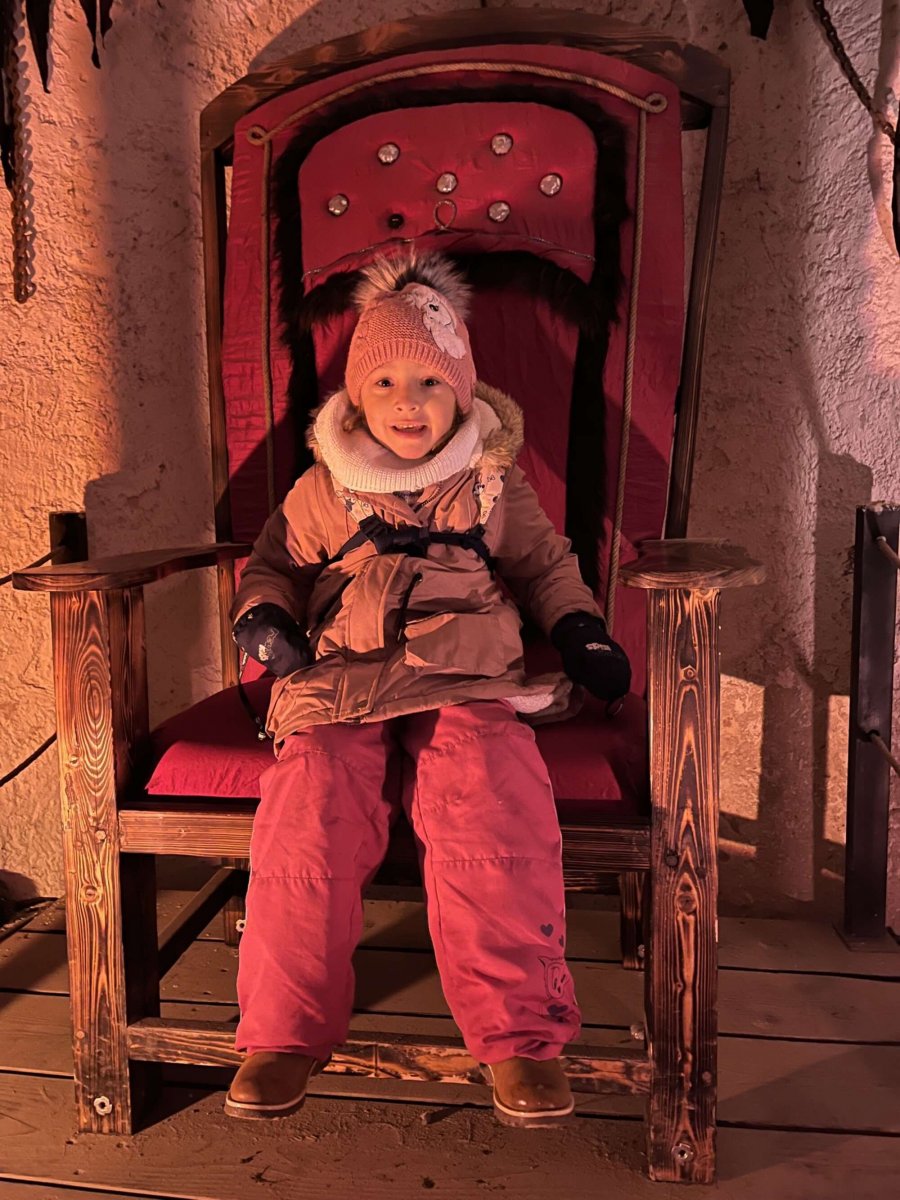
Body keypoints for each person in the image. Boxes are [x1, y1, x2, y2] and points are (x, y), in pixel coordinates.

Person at [224, 250, 631, 1126]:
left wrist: (580, 629)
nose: (408, 402)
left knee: (490, 788)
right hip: (341, 676)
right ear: (356, 397)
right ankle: (280, 1032)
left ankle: (520, 1037)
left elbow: (546, 565)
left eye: (430, 383)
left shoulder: (491, 482)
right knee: (311, 796)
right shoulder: (328, 484)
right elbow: (274, 563)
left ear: (463, 392)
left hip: (464, 673)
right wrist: (264, 615)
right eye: (386, 383)